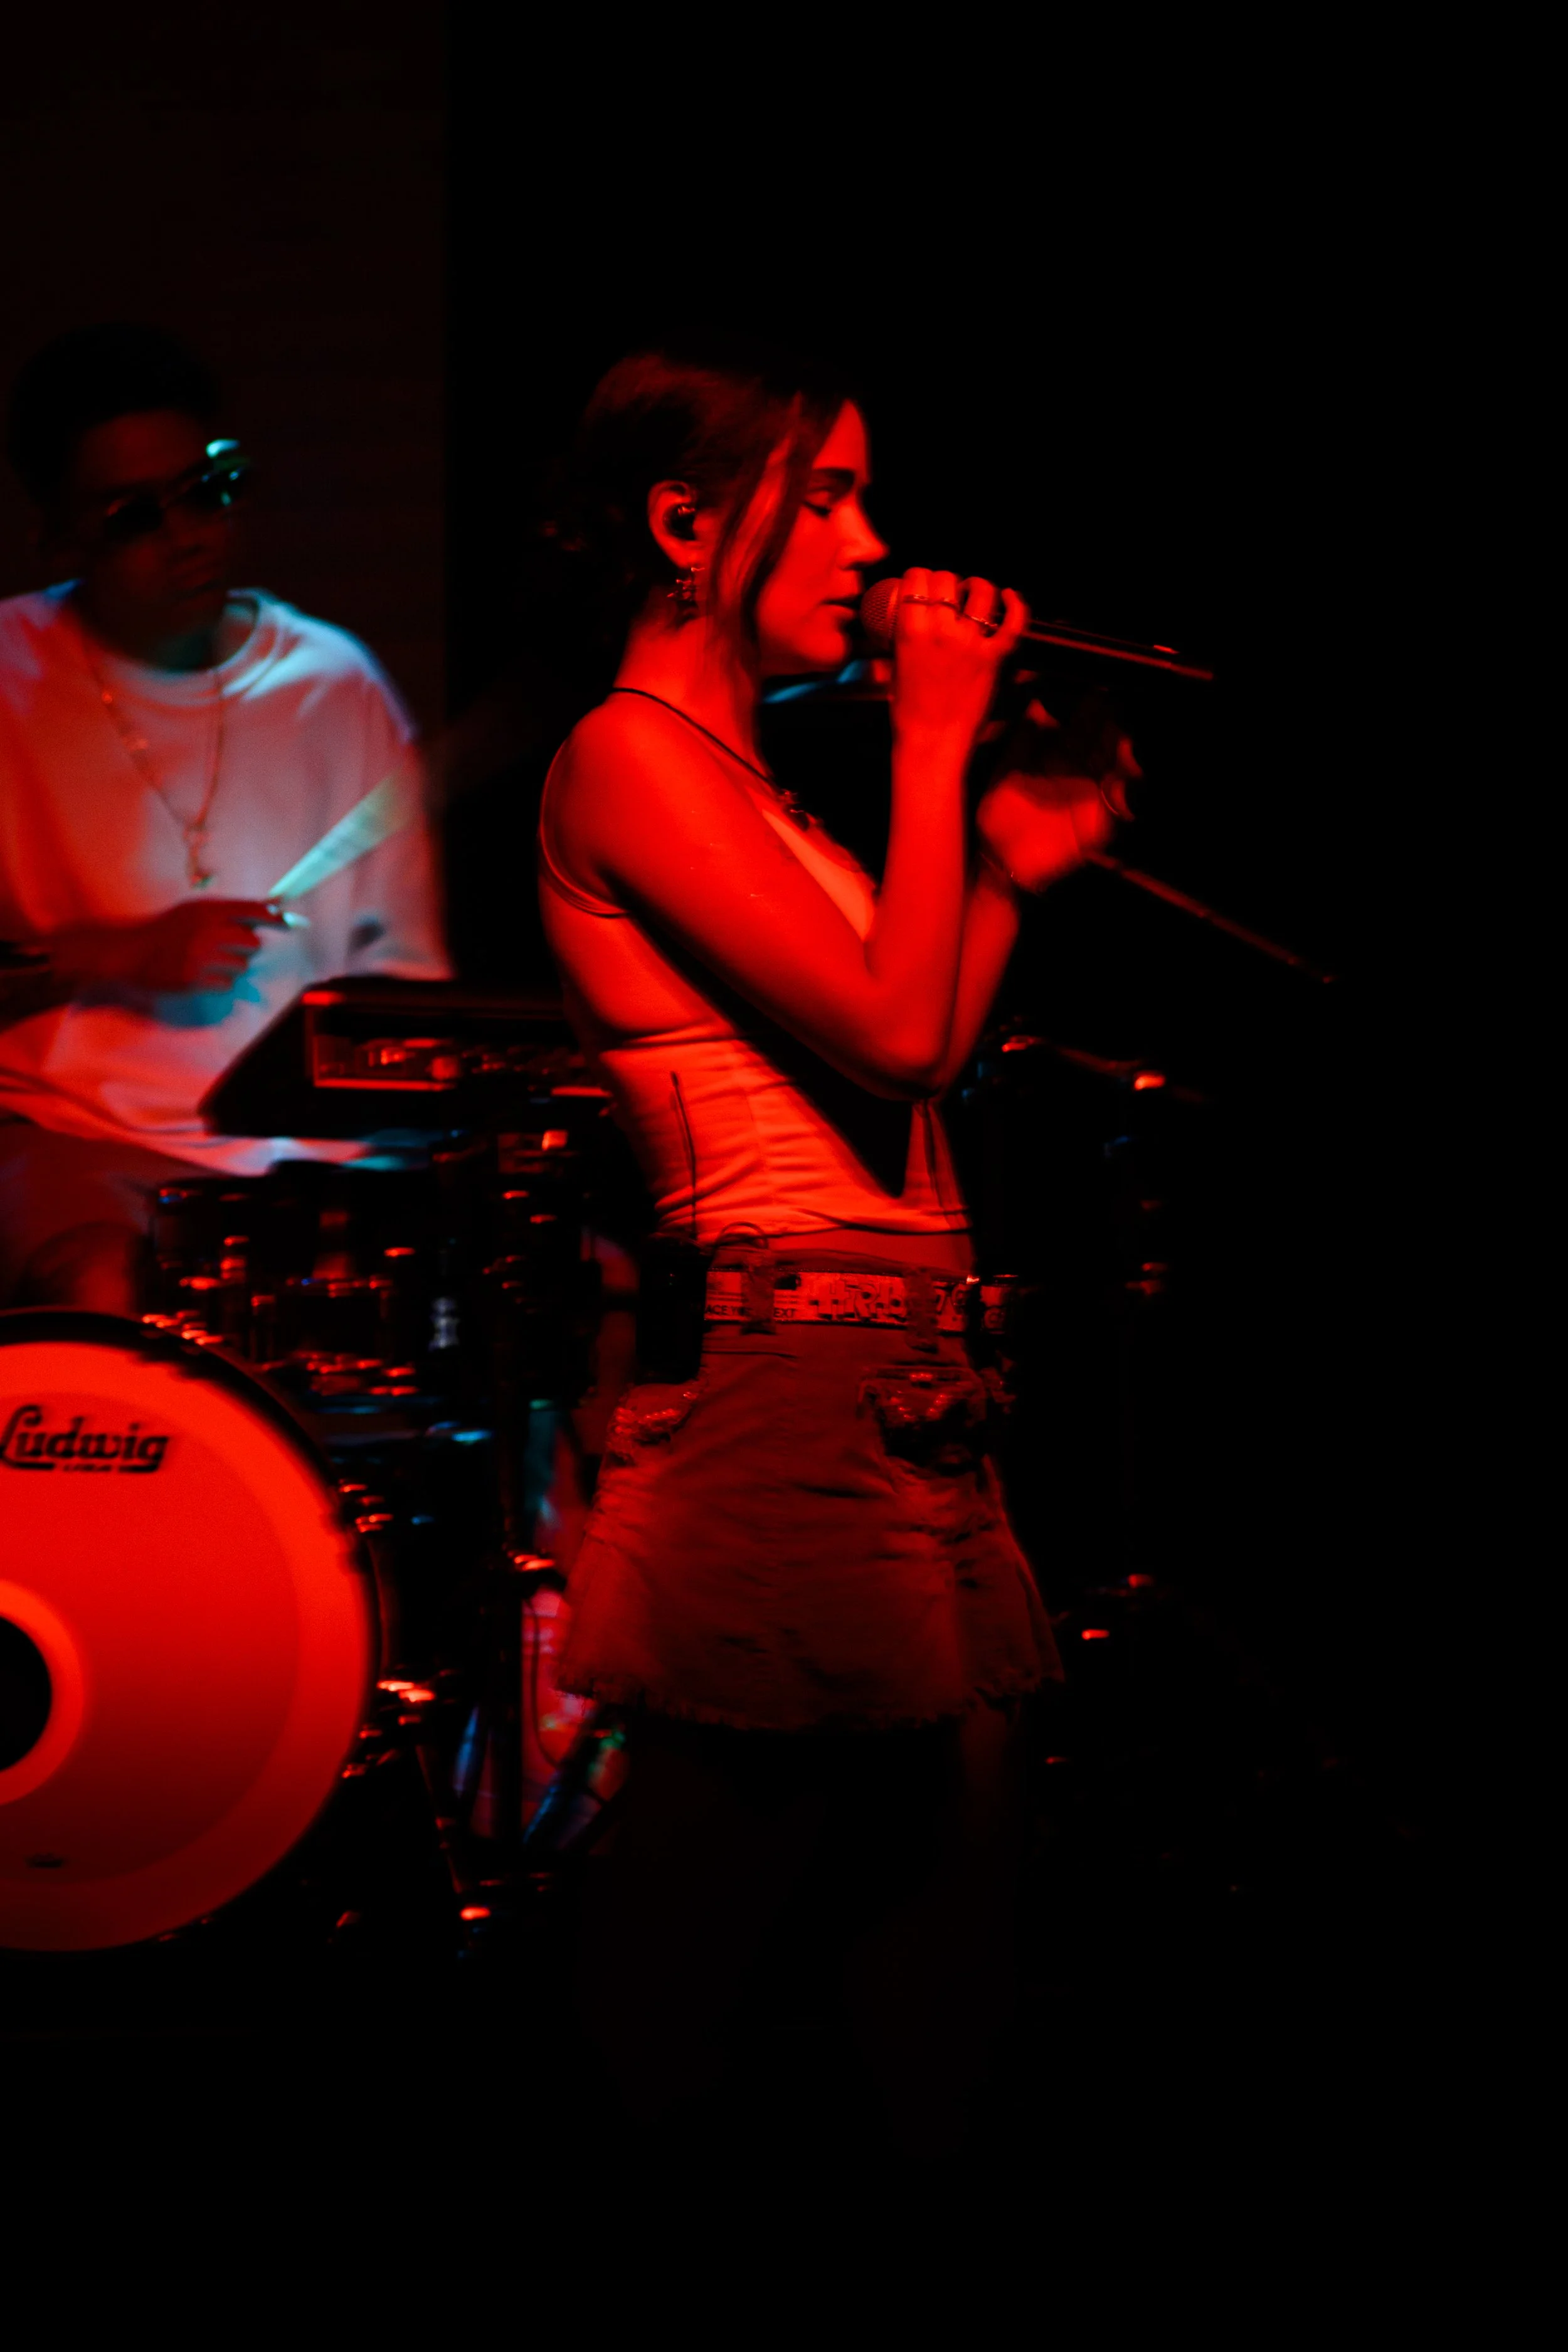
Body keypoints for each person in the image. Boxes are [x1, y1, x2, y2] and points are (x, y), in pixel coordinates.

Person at [536, 342, 1130, 2154]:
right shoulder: (626, 761)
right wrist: (940, 740)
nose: (875, 544)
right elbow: (893, 1038)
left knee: (941, 1918)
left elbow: (920, 1051)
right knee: (714, 1923)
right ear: (686, 520)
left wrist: (1009, 869)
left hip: (901, 1385)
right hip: (791, 1390)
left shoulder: (758, 786)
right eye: (832, 496)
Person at [0, 324, 447, 1313]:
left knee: (585, 1292)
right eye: (132, 518)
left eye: (206, 492)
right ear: (59, 540)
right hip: (80, 1139)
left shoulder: (334, 683)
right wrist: (113, 954)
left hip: (311, 1159)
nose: (187, 536)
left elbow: (408, 995)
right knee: (104, 1286)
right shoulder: (9, 674)